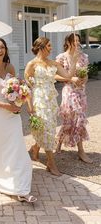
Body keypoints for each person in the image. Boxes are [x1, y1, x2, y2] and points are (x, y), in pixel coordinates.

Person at [0, 37, 36, 202]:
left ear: (5, 50)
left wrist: (18, 100)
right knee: (0, 148)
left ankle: (20, 186)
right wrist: (5, 106)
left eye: (2, 47)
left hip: (12, 115)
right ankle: (0, 178)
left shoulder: (10, 67)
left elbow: (17, 88)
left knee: (16, 147)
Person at [24, 37, 79, 176]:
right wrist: (29, 105)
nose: (51, 48)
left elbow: (68, 75)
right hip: (39, 100)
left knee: (48, 129)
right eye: (48, 45)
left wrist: (74, 60)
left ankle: (35, 149)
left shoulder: (53, 63)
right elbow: (27, 88)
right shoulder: (32, 64)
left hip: (51, 101)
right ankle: (51, 163)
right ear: (41, 47)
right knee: (46, 129)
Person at [55, 33, 92, 163]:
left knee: (79, 119)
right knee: (69, 119)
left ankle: (80, 151)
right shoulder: (61, 58)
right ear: (68, 42)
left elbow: (86, 74)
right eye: (74, 41)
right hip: (69, 91)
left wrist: (83, 80)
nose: (77, 43)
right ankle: (60, 143)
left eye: (78, 41)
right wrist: (71, 78)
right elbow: (55, 76)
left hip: (81, 92)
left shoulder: (83, 56)